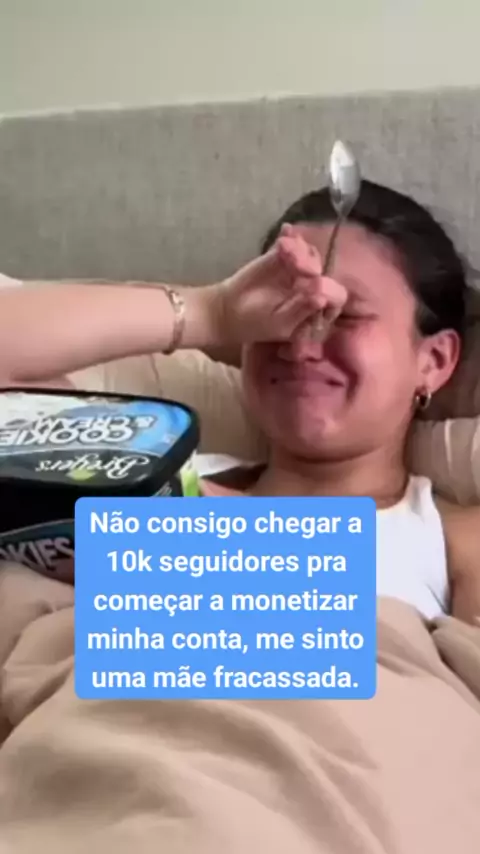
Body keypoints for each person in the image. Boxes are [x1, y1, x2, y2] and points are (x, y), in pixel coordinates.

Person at [0, 180, 478, 623]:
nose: (300, 346)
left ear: (434, 360)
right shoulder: (143, 478)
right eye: (283, 311)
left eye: (344, 315)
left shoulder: (450, 541)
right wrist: (213, 312)